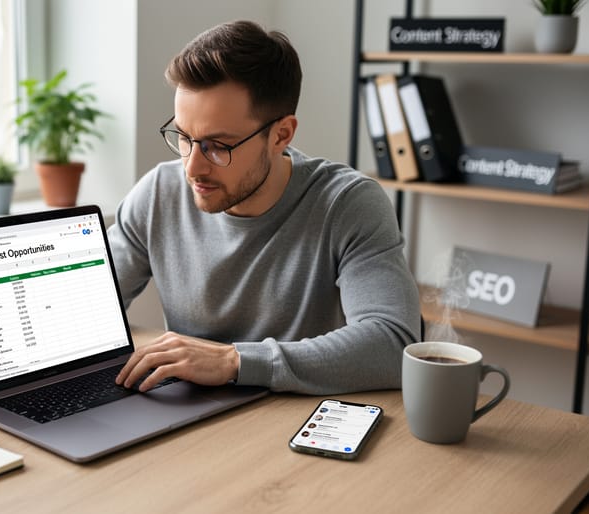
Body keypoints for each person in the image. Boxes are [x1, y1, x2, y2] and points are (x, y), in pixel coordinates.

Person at [110, 20, 420, 395]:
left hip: (296, 427)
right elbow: (92, 316)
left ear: (281, 134)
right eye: (185, 138)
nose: (192, 167)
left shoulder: (347, 204)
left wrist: (233, 362)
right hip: (185, 422)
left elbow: (392, 344)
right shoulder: (157, 193)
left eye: (217, 146)